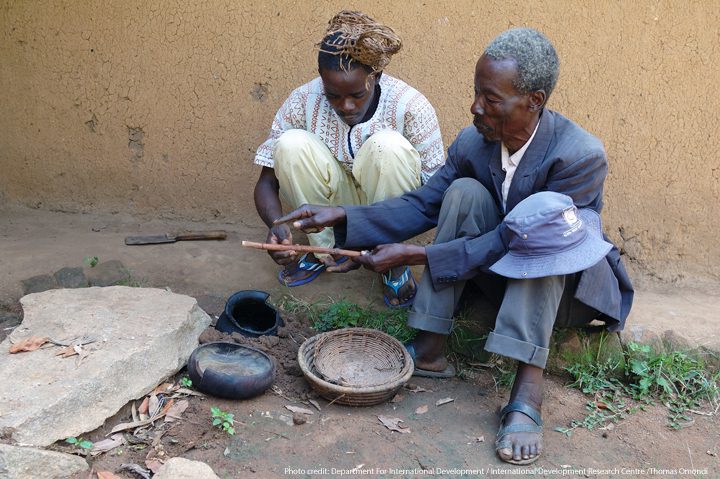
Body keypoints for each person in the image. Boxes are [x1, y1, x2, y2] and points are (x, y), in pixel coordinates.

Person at [275, 28, 634, 465]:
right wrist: (345, 216)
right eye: (475, 93)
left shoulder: (578, 156)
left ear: (534, 101)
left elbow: (516, 240)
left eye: (491, 98)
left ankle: (527, 390)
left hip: (558, 291)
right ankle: (429, 346)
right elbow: (425, 204)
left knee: (541, 235)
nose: (475, 107)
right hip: (495, 274)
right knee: (462, 191)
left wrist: (420, 255)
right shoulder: (474, 142)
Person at [253, 10, 444, 308]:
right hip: (331, 207)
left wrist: (368, 234)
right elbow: (266, 181)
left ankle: (390, 261)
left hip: (388, 208)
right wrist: (277, 225)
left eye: (357, 94)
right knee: (289, 145)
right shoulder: (303, 100)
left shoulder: (411, 107)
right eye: (333, 96)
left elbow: (434, 196)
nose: (346, 106)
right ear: (322, 81)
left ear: (376, 75)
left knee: (388, 148)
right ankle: (324, 252)